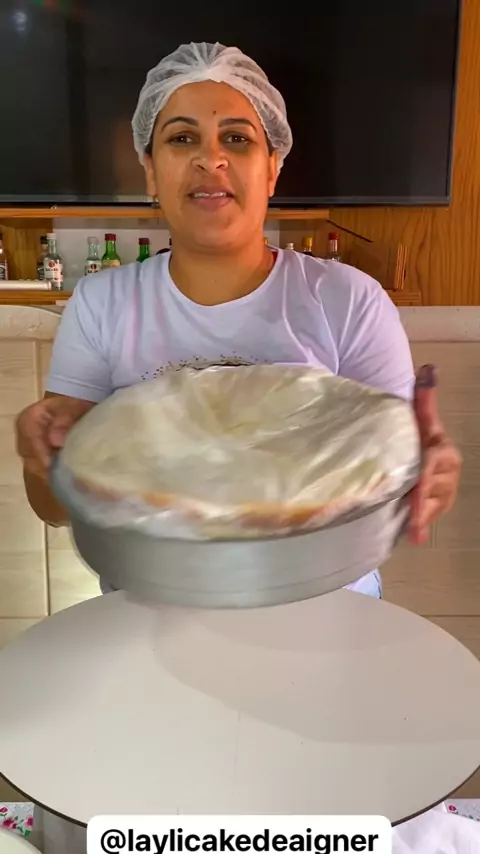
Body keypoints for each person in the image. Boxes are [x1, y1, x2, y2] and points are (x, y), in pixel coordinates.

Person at [16, 41, 460, 599]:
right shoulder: (101, 304)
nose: (211, 159)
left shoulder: (349, 300)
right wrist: (43, 458)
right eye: (182, 139)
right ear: (150, 170)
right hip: (155, 610)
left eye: (237, 139)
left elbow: (390, 486)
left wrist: (422, 469)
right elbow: (55, 508)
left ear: (272, 167)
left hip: (327, 610)